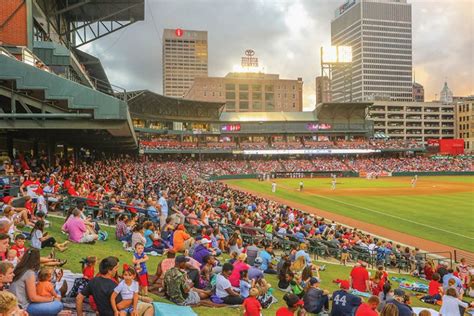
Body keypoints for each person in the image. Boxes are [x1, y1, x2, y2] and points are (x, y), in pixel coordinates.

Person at [77, 256, 154, 316]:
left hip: (103, 313)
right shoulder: (113, 285)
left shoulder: (93, 281)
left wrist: (80, 315)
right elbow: (121, 306)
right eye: (116, 268)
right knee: (149, 307)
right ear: (110, 270)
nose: (117, 270)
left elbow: (79, 298)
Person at [9, 248, 64, 315]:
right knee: (59, 305)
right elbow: (33, 298)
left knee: (56, 291)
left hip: (16, 302)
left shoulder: (19, 267)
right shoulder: (29, 273)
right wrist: (52, 299)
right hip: (23, 306)